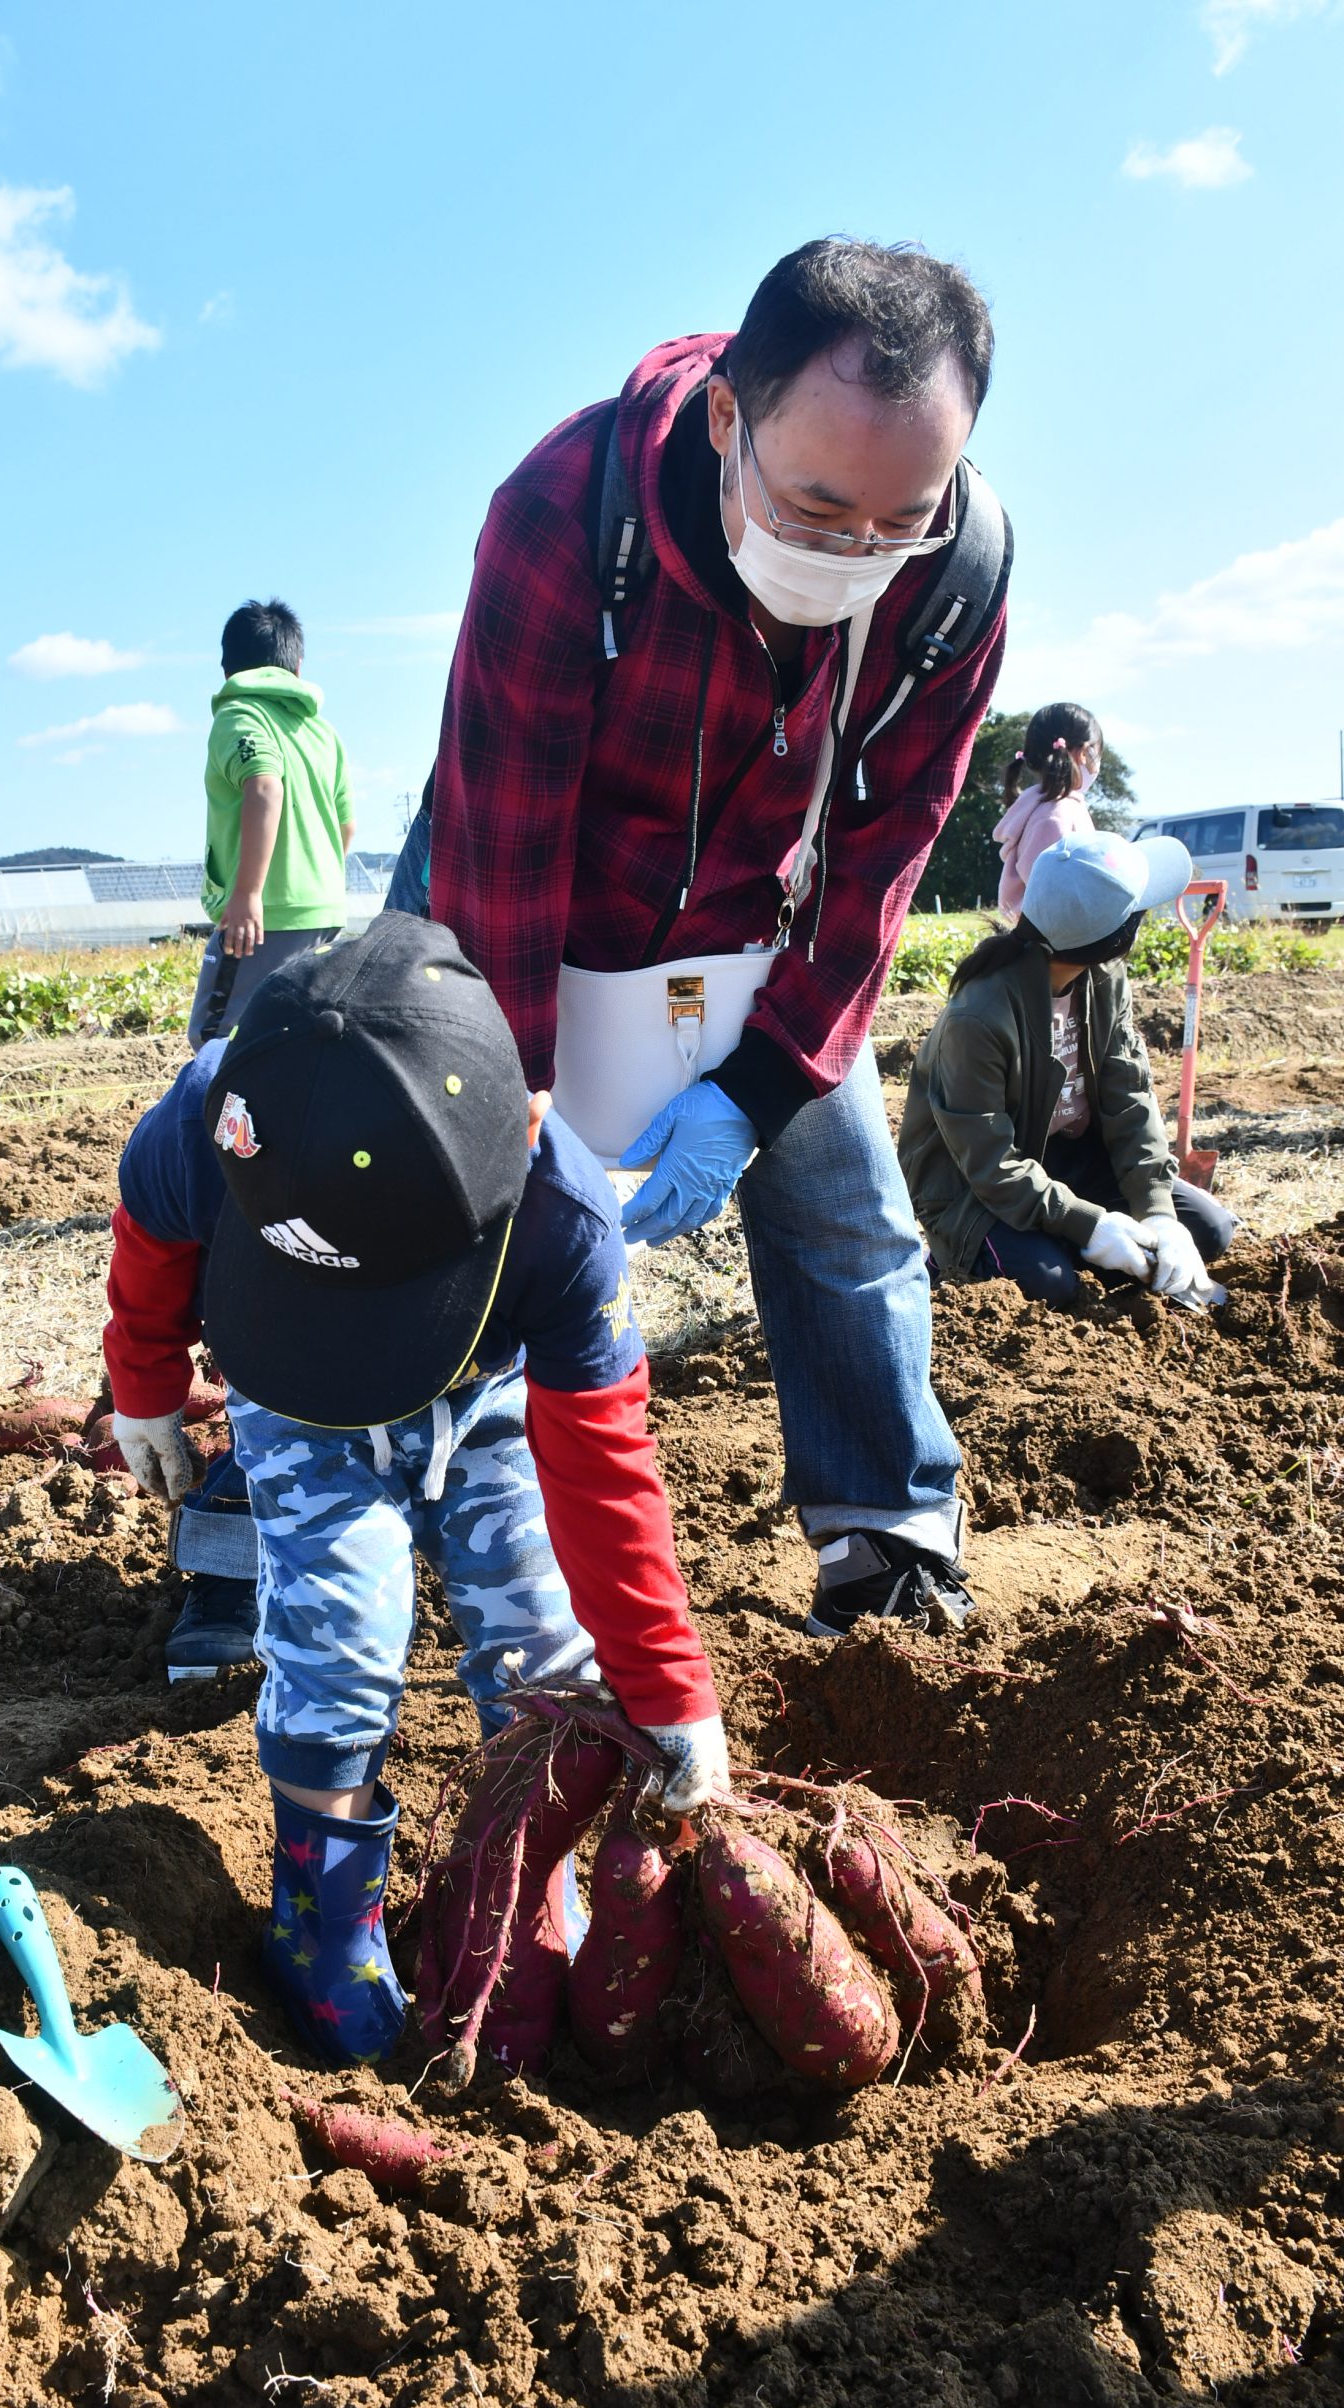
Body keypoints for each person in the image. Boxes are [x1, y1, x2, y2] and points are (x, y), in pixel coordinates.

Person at [389, 238, 1009, 1639]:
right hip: (525, 877)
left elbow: (879, 854)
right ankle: (393, 1513)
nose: (853, 552)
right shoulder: (568, 515)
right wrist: (527, 1105)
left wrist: (753, 1090)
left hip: (747, 904)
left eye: (894, 516)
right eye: (814, 505)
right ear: (728, 415)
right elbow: (503, 841)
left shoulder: (954, 575)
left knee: (846, 1208)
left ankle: (886, 1538)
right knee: (440, 1203)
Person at [101, 913, 727, 2063]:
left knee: (539, 1635)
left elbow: (602, 1466)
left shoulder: (558, 1213)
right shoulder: (213, 1123)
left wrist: (668, 1682)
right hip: (299, 1396)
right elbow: (149, 1246)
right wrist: (142, 1385)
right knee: (339, 1636)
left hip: (484, 1389)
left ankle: (521, 1880)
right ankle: (323, 1919)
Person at [899, 833, 1237, 1309]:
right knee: (1051, 1286)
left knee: (1209, 1230)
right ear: (1116, 936)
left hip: (1069, 1159)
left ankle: (1069, 1238)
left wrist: (1157, 1211)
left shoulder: (1105, 981)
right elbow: (990, 1163)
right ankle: (951, 1258)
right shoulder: (978, 1018)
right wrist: (1089, 1224)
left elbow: (1130, 1099)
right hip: (973, 1187)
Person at [185, 598, 354, 1053]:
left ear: (226, 669)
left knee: (215, 1038)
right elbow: (346, 824)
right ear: (297, 666)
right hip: (324, 909)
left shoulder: (239, 716)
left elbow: (263, 786)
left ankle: (229, 1127)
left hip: (267, 916)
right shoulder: (320, 730)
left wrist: (247, 895)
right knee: (297, 1035)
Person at [995, 703, 1103, 923]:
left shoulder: (1056, 807)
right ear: (1084, 753)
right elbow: (1048, 891)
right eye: (1097, 754)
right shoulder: (1054, 816)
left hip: (1051, 938)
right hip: (1052, 941)